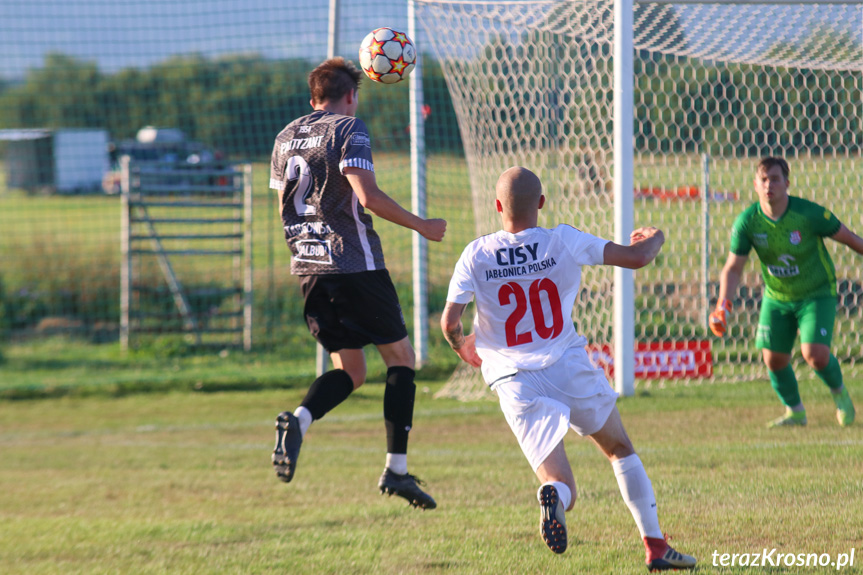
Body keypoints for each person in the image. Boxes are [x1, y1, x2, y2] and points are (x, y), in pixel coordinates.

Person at [440, 166, 696, 571]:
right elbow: (636, 257)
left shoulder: (475, 253)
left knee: (563, 486)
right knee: (619, 449)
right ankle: (656, 547)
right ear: (540, 203)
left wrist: (462, 347)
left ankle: (554, 497)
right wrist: (655, 236)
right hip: (567, 363)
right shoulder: (562, 240)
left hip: (513, 380)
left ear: (497, 206)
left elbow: (450, 322)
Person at [268, 57, 446, 509]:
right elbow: (366, 195)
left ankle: (300, 420)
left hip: (308, 267)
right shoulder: (349, 128)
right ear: (351, 95)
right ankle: (397, 471)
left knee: (353, 371)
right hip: (354, 266)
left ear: (313, 99)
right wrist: (421, 225)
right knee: (401, 360)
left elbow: (287, 202)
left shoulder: (286, 136)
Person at [710, 156, 862, 427]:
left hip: (816, 293)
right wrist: (723, 304)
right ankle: (795, 412)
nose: (770, 185)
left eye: (775, 179)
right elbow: (733, 268)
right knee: (773, 357)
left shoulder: (808, 214)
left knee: (814, 354)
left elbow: (850, 239)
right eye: (764, 180)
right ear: (755, 185)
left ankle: (841, 396)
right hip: (777, 297)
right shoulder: (748, 222)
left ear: (787, 184)